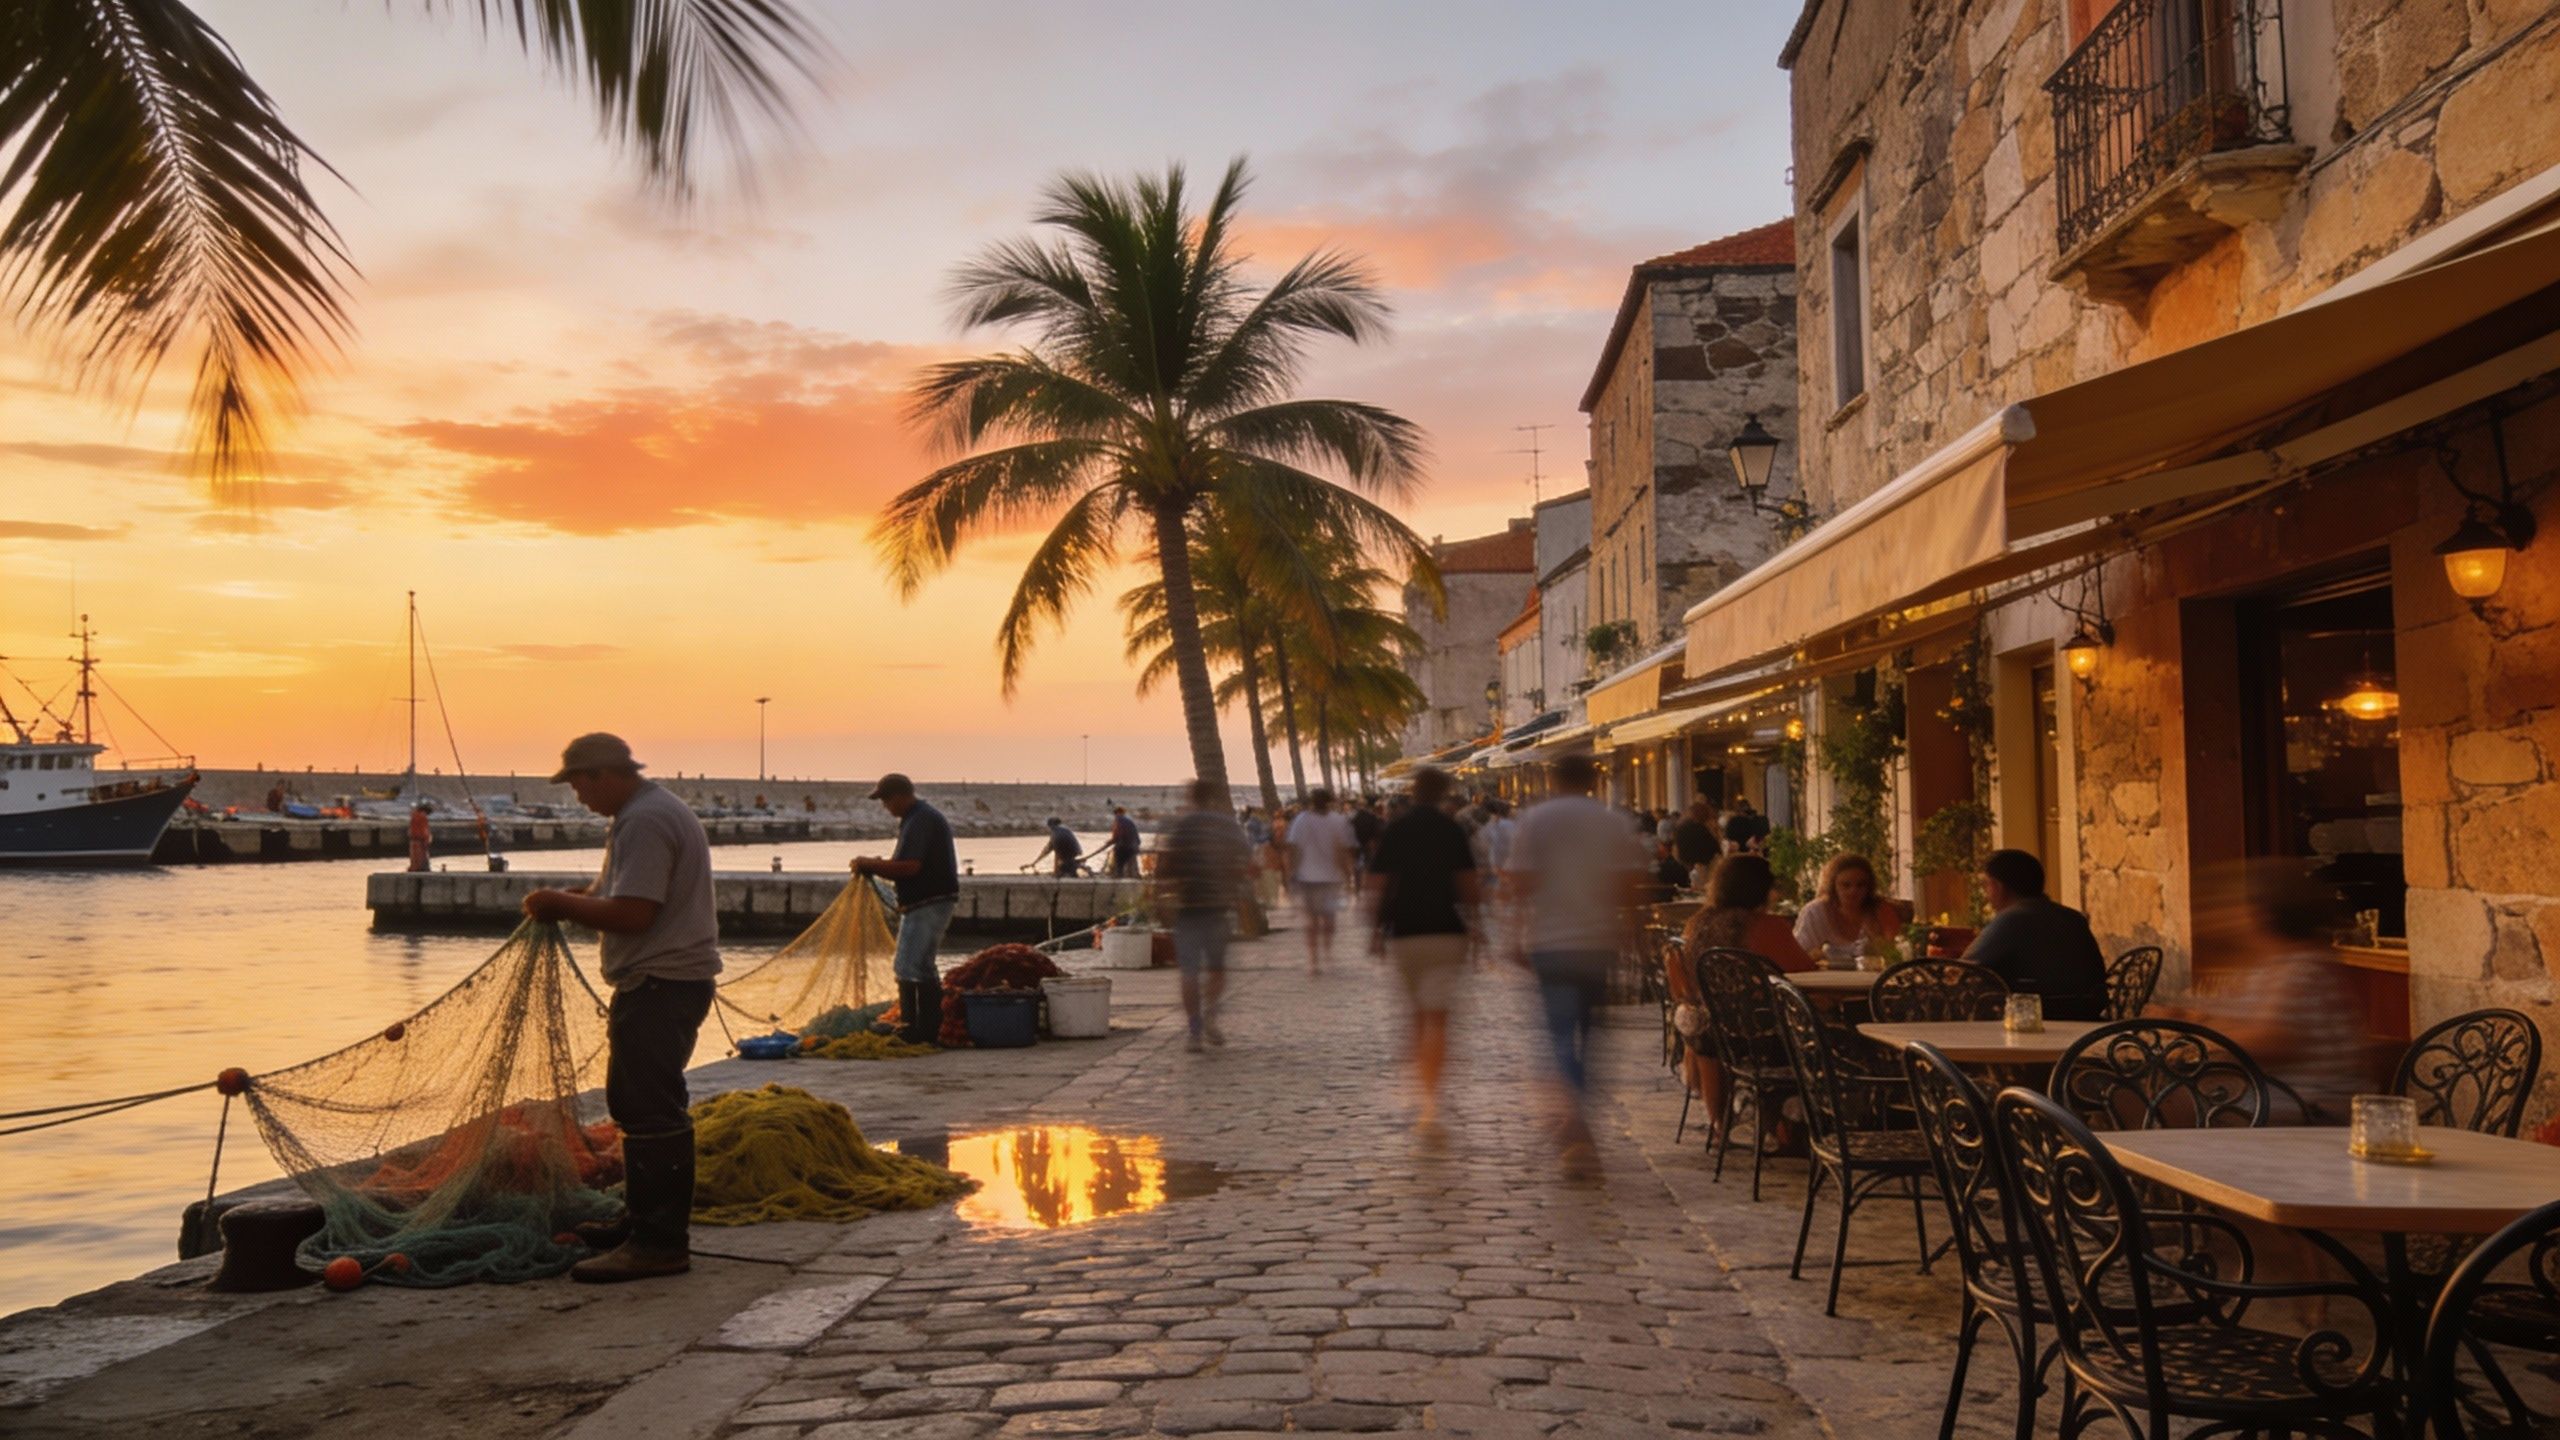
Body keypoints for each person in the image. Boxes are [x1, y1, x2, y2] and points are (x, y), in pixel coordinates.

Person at [519, 733, 719, 1283]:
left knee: (649, 1108)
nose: (578, 797)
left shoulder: (645, 820)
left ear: (604, 775)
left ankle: (659, 1244)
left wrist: (559, 905)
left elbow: (634, 913)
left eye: (579, 785)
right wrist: (574, 898)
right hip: (665, 982)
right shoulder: (646, 812)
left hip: (662, 983)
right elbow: (616, 893)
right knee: (636, 1103)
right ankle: (640, 1223)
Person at [1505, 753, 1645, 1178]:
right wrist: (1631, 931)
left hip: (1550, 943)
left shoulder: (1535, 820)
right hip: (1597, 942)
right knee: (1591, 1034)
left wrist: (1514, 934)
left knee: (1561, 1034)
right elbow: (1629, 884)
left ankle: (1574, 1122)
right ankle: (1577, 1118)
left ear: (1553, 779)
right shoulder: (1612, 821)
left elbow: (1520, 883)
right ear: (1592, 780)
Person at [1366, 766, 1478, 1135]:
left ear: (1414, 791)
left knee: (1415, 1015)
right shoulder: (1452, 829)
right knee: (1439, 1018)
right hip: (1446, 930)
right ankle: (1432, 1097)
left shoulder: (1396, 828)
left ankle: (1422, 1089)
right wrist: (1477, 925)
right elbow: (1468, 883)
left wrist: (1374, 930)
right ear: (1443, 793)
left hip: (1405, 932)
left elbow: (1378, 883)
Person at [852, 773, 960, 1047]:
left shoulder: (920, 819)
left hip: (929, 902)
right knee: (921, 965)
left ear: (900, 796)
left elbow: (911, 866)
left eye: (886, 800)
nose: (885, 806)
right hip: (931, 900)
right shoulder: (917, 818)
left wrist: (870, 864)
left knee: (909, 965)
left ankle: (915, 1029)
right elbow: (906, 863)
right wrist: (879, 865)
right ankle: (928, 1028)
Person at [1155, 779, 1251, 1051]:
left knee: (1189, 972)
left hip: (1187, 909)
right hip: (1218, 908)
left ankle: (1195, 1031)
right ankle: (1210, 1013)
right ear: (1214, 799)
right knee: (1217, 970)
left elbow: (1164, 868)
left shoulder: (1181, 827)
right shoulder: (1228, 826)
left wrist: (1160, 898)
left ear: (1192, 797)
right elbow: (1247, 861)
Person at [1964, 848, 2108, 1020]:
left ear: (1998, 887)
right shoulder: (2073, 917)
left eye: (1986, 885)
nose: (1986, 894)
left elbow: (1962, 969)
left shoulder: (2012, 919)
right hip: (2087, 1017)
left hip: (2036, 1021)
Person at [1287, 788, 1359, 973]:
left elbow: (1293, 848)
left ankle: (1313, 960)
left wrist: (1291, 873)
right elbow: (1343, 850)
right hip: (1331, 879)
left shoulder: (1301, 820)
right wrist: (1348, 876)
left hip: (1307, 877)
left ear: (1312, 801)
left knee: (1311, 921)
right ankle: (1327, 955)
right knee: (1329, 918)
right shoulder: (1339, 820)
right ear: (1329, 802)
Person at [1792, 853, 1905, 965]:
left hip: (1872, 975)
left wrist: (1877, 940)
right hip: (1828, 975)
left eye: (1860, 885)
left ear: (1869, 887)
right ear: (1833, 886)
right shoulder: (1816, 912)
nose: (1853, 891)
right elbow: (1798, 956)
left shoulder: (1880, 910)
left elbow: (1896, 955)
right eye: (1846, 885)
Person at [1672, 799, 1720, 876]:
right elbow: (1716, 850)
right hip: (1704, 869)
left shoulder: (1681, 828)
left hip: (1685, 869)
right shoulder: (1702, 830)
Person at [1106, 805, 1142, 879]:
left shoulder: (1119, 821)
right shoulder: (1129, 821)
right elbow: (1137, 838)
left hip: (1124, 847)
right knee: (1131, 863)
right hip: (1134, 846)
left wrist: (1110, 841)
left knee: (1119, 863)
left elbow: (1117, 835)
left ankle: (1119, 877)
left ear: (1117, 813)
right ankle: (1133, 877)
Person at [406, 801, 432, 873]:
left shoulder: (414, 815)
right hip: (420, 839)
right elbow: (424, 830)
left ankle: (414, 868)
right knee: (421, 856)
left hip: (413, 839)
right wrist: (427, 840)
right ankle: (421, 869)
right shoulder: (423, 817)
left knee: (414, 857)